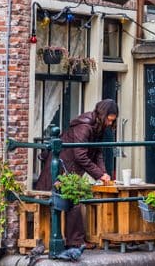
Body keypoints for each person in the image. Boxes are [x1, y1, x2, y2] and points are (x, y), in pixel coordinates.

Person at [35, 99, 118, 250]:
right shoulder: (84, 127)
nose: (110, 124)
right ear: (102, 114)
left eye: (112, 121)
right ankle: (72, 242)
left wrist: (104, 173)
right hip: (62, 168)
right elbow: (80, 155)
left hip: (69, 169)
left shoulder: (98, 128)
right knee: (72, 201)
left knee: (73, 200)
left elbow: (97, 152)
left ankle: (75, 241)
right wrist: (99, 175)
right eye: (109, 119)